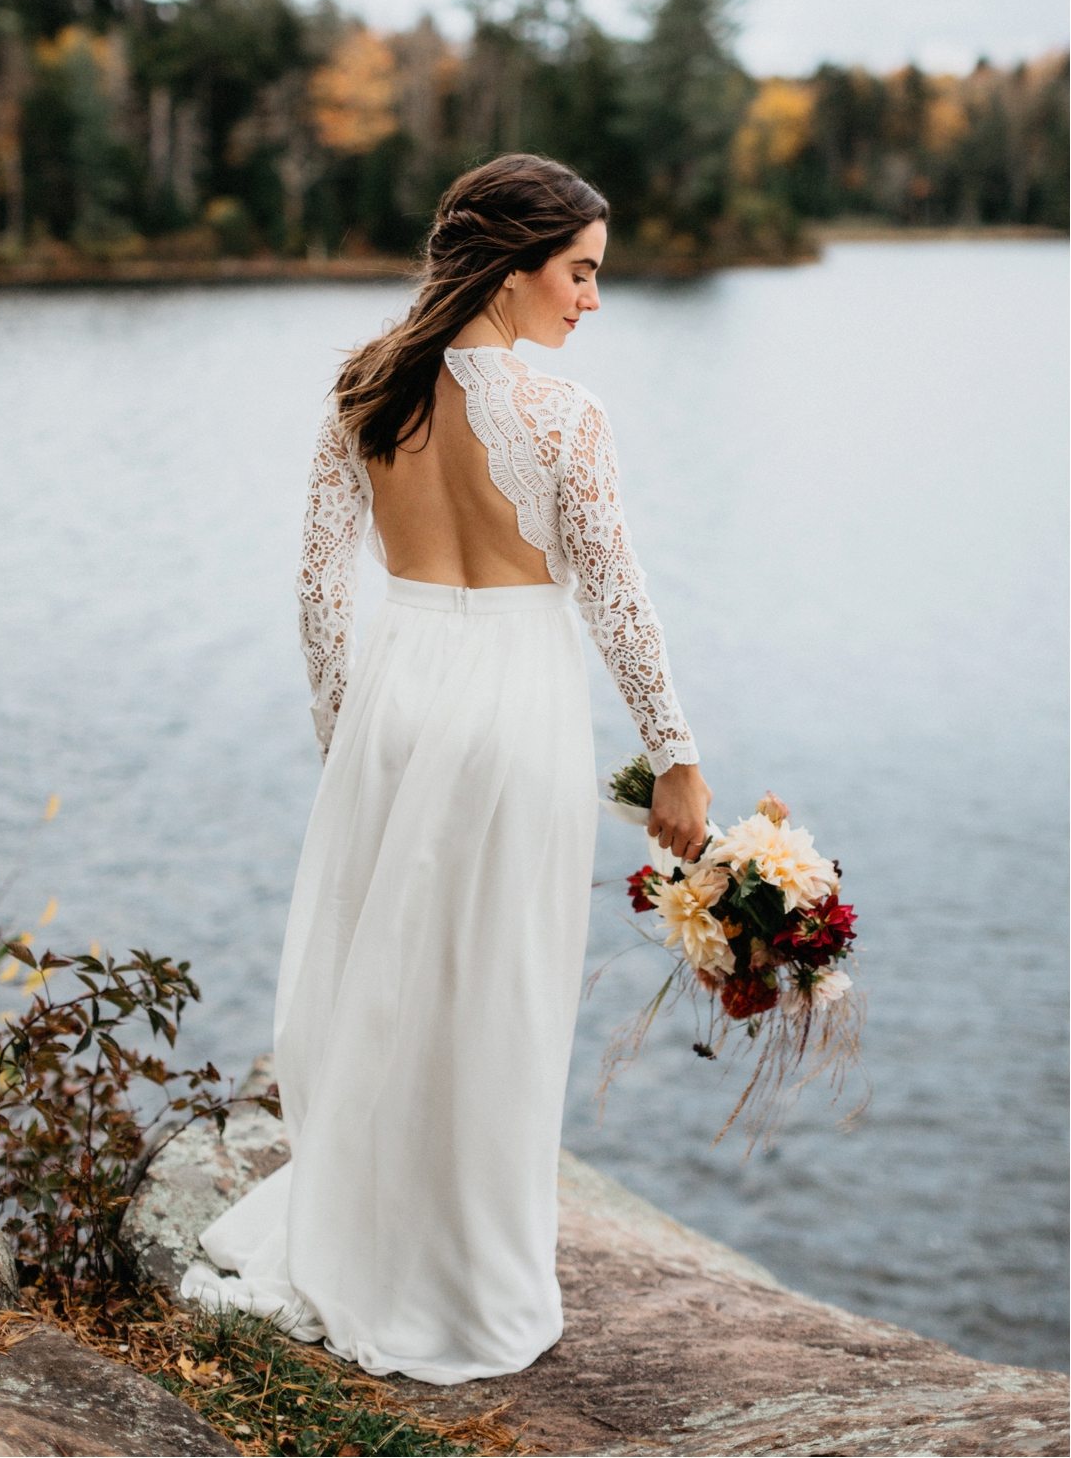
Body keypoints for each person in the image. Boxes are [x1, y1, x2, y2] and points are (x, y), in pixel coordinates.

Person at [181, 154, 711, 1385]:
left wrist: (347, 734)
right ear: (513, 267)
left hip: (397, 697)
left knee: (388, 978)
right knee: (498, 994)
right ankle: (472, 1285)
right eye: (578, 273)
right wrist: (674, 758)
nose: (589, 300)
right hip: (517, 701)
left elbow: (318, 595)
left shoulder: (365, 391)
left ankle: (367, 1240)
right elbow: (619, 603)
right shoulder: (566, 418)